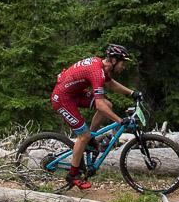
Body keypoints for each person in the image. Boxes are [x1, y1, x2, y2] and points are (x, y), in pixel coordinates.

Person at [50, 43, 140, 189]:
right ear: (114, 60)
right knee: (83, 135)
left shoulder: (103, 67)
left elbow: (111, 85)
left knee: (108, 105)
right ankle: (72, 175)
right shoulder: (97, 72)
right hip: (62, 98)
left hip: (73, 94)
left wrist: (131, 93)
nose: (123, 67)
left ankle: (91, 137)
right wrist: (120, 120)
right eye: (123, 63)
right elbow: (99, 105)